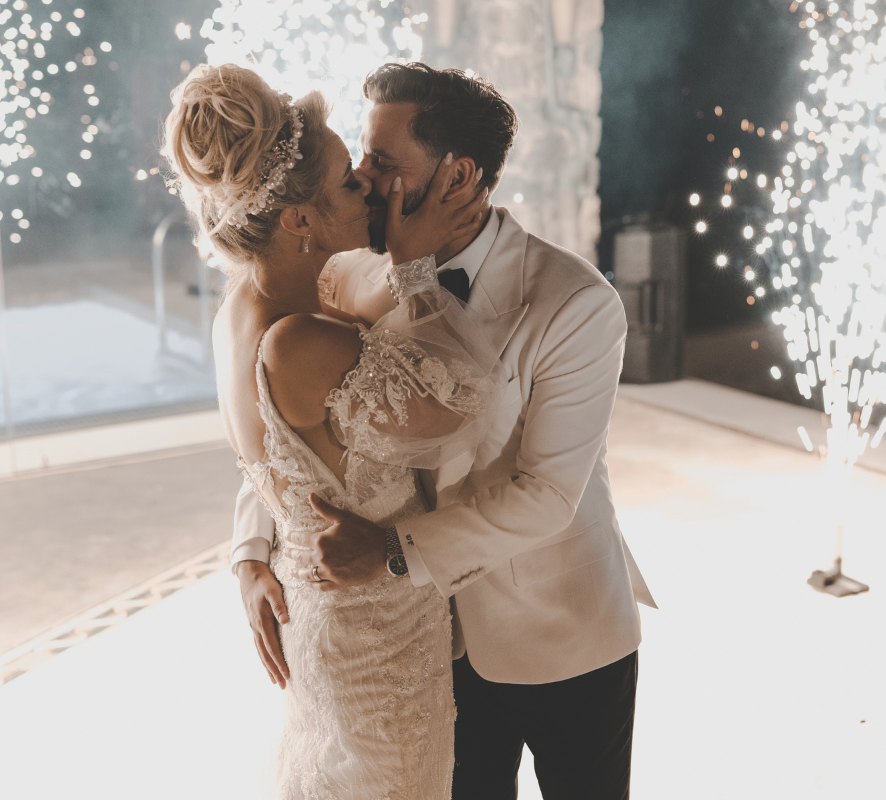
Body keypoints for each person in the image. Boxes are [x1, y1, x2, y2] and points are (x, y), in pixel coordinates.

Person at [232, 62, 657, 799]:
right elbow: (296, 418)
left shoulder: (576, 302)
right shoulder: (348, 272)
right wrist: (255, 547)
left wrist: (394, 554)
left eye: (384, 162)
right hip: (425, 647)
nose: (363, 177)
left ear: (458, 176)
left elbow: (549, 494)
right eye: (361, 158)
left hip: (563, 633)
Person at [163, 63, 497, 798]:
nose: (369, 188)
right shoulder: (297, 343)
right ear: (299, 219)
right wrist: (414, 264)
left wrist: (251, 557)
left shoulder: (241, 311)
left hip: (325, 629)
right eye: (350, 180)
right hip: (377, 652)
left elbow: (287, 468)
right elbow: (462, 395)